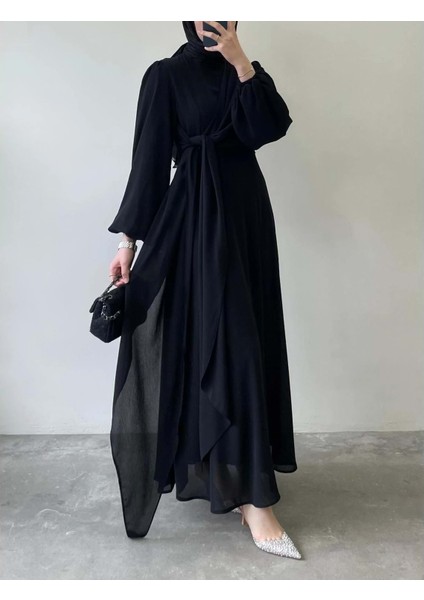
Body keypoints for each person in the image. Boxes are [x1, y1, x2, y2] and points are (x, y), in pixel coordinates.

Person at [107, 21, 301, 559]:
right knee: (215, 344)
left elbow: (269, 128)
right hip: (191, 220)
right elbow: (148, 162)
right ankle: (248, 495)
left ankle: (242, 482)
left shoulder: (249, 72)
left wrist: (241, 63)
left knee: (247, 341)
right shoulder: (165, 76)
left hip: (245, 218)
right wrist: (128, 243)